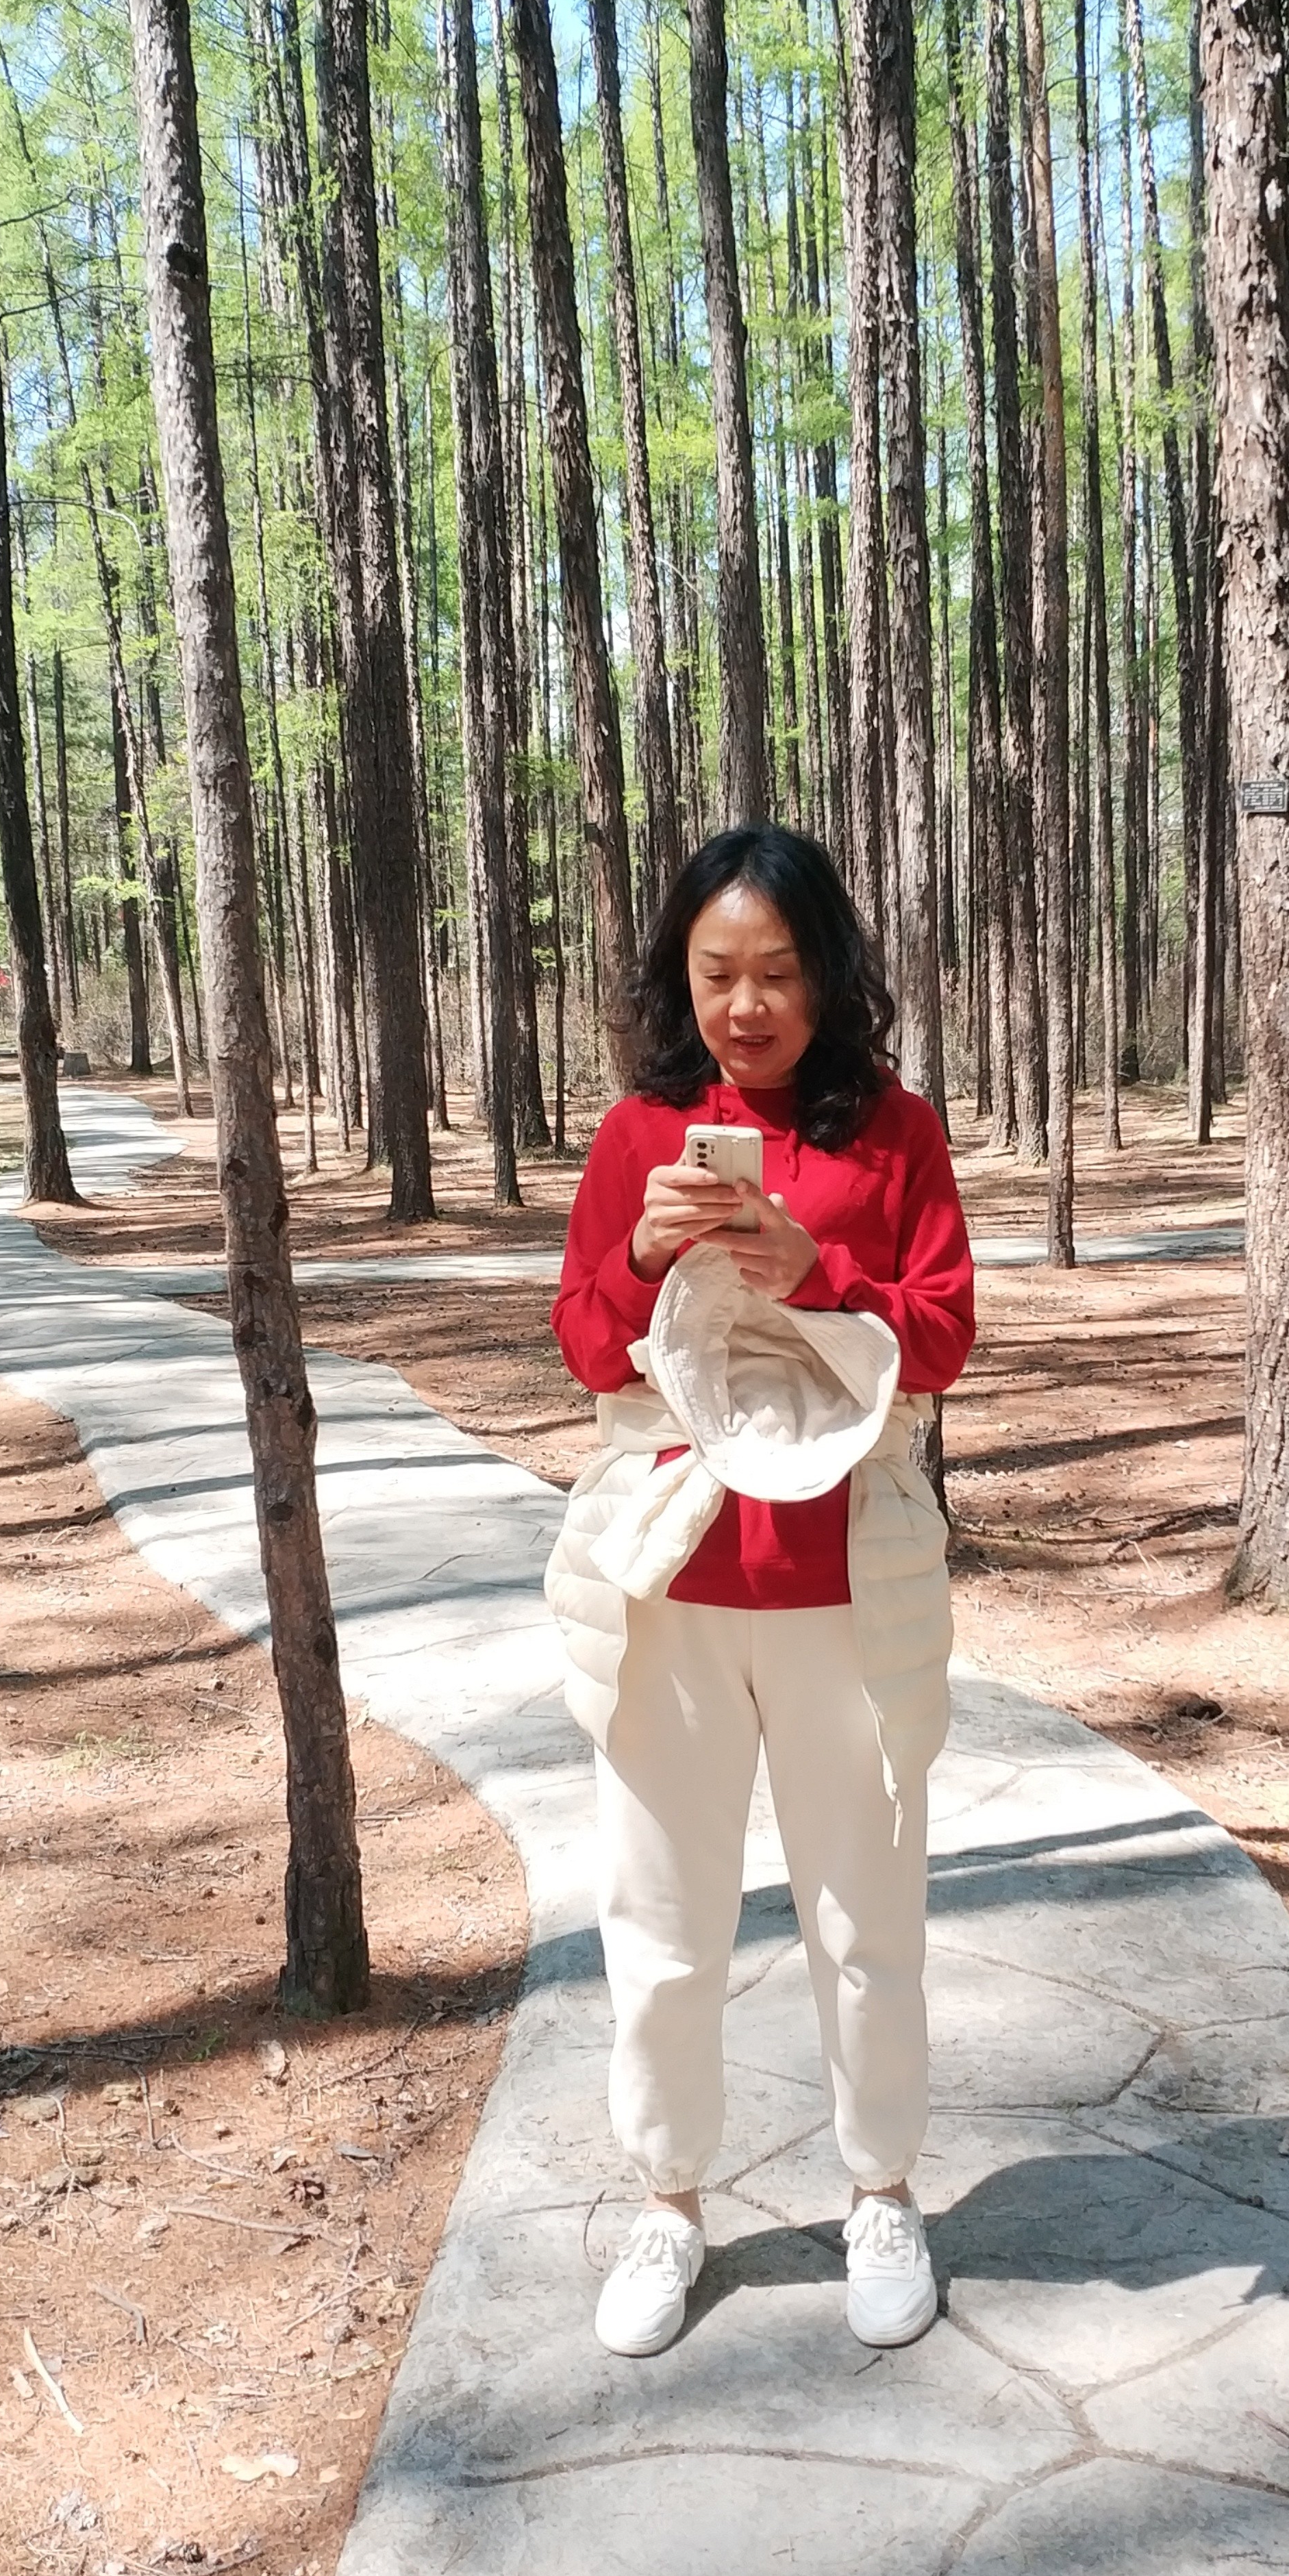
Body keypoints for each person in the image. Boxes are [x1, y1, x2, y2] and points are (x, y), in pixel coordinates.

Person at [545, 824, 975, 2358]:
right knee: (661, 1923)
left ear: (830, 975)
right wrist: (643, 1256)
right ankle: (670, 2207)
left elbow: (939, 1342)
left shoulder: (896, 1133)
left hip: (847, 1589)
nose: (746, 1005)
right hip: (675, 1582)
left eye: (778, 973)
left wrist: (818, 1274)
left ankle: (880, 2192)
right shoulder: (636, 1135)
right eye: (717, 973)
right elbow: (590, 1350)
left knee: (868, 1920)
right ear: (679, 975)